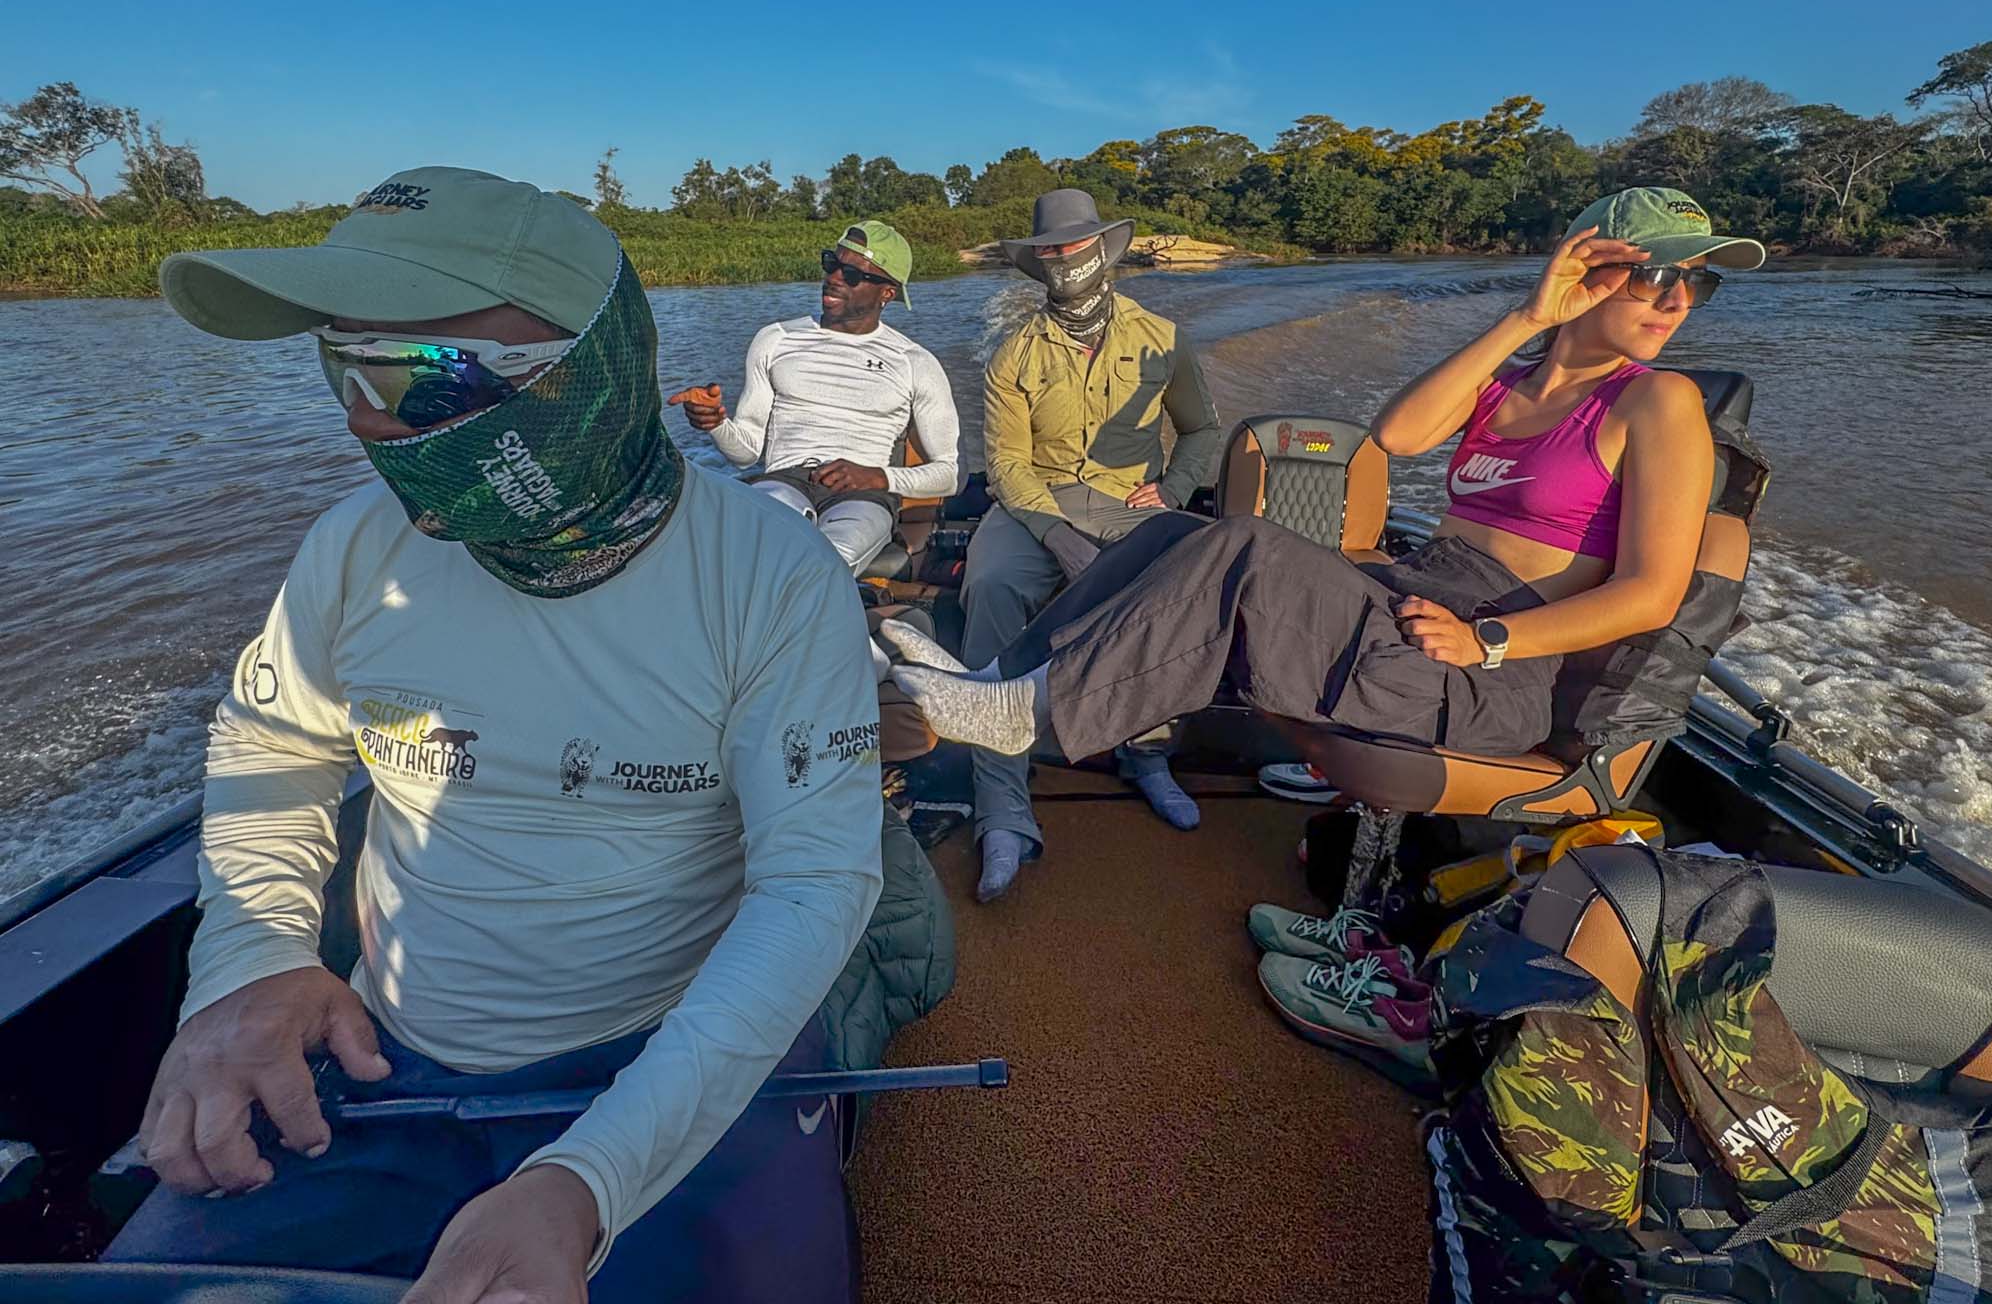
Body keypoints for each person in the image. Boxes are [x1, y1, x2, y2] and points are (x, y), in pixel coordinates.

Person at [114, 168, 884, 1304]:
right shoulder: (353, 548)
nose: (363, 418)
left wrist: (590, 1178)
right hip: (380, 1057)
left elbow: (814, 882)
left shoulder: (771, 579)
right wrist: (254, 960)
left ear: (584, 371)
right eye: (340, 365)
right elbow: (274, 747)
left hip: (667, 1046)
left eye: (416, 373)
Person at [887, 186, 1763, 815]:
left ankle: (1028, 712)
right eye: (1653, 276)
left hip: (1489, 668)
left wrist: (1488, 641)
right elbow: (1399, 436)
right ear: (1584, 269)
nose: (1678, 300)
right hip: (1417, 605)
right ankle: (999, 678)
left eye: (1700, 283)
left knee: (1241, 546)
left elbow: (1651, 595)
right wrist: (1530, 319)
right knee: (1181, 537)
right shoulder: (1510, 383)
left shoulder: (1660, 401)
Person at [961, 188, 1221, 902]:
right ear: (1035, 261)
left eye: (1074, 244)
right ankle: (1002, 806)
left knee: (1182, 575)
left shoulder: (1163, 338)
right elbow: (1007, 463)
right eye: (1048, 249)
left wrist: (1173, 490)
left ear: (1103, 249)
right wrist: (1054, 532)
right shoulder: (1014, 354)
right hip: (1034, 500)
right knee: (990, 583)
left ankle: (1149, 752)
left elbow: (1202, 429)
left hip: (1128, 499)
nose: (1062, 257)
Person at [675, 219, 960, 584]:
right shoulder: (775, 340)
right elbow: (746, 454)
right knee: (757, 551)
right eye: (831, 264)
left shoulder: (914, 362)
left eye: (852, 275)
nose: (834, 278)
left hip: (864, 496)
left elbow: (948, 475)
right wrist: (716, 424)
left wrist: (877, 476)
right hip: (783, 482)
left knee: (830, 562)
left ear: (887, 293)